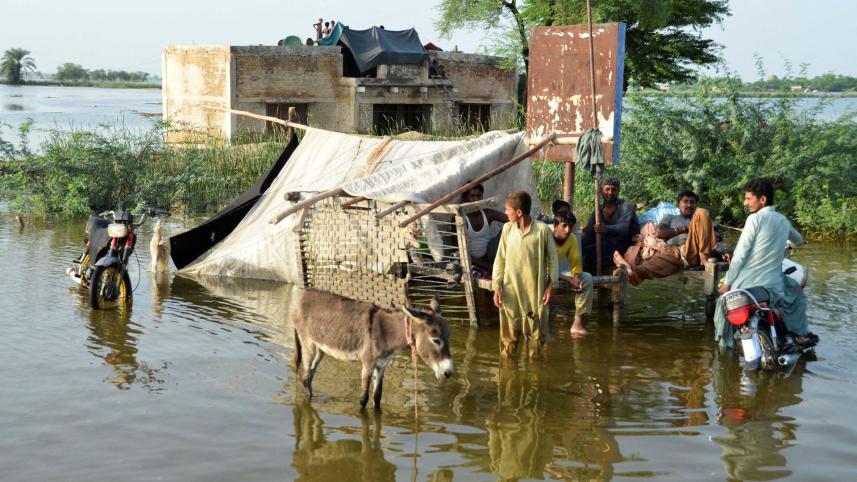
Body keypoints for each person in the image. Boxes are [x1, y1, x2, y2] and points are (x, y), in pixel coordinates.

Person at [714, 178, 812, 348]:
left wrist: (728, 282)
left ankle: (725, 347)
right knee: (796, 294)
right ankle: (799, 335)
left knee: (722, 302)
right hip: (774, 286)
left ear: (762, 200)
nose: (745, 203)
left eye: (748, 198)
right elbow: (799, 239)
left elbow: (740, 255)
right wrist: (791, 243)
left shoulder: (754, 219)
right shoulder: (782, 220)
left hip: (747, 283)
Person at [492, 191, 558, 359]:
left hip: (534, 292)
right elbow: (500, 258)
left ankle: (534, 377)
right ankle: (509, 374)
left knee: (536, 335)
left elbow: (553, 260)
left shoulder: (542, 230)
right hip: (510, 290)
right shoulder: (507, 229)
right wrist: (496, 286)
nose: (506, 213)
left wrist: (551, 286)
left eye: (508, 209)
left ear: (519, 212)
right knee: (509, 336)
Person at [612, 190, 717, 284]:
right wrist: (685, 228)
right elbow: (659, 232)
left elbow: (715, 237)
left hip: (692, 249)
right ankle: (630, 270)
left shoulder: (699, 219)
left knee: (703, 212)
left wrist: (724, 251)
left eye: (692, 202)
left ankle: (704, 258)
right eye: (685, 201)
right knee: (654, 265)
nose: (689, 205)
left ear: (695, 204)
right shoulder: (670, 217)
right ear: (678, 204)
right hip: (673, 251)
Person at [581, 177, 639, 271]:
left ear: (618, 191)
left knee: (589, 251)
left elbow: (623, 227)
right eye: (607, 189)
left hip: (623, 241)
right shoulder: (598, 209)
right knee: (581, 243)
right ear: (601, 191)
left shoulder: (626, 206)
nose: (610, 193)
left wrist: (606, 229)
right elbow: (590, 232)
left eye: (614, 190)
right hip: (607, 241)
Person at [552, 212, 594, 336]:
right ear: (555, 226)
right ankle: (543, 324)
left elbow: (575, 262)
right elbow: (544, 267)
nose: (568, 230)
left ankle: (578, 324)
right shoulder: (546, 237)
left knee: (587, 278)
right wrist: (568, 279)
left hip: (557, 273)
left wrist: (575, 278)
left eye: (570, 226)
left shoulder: (572, 239)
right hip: (539, 272)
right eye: (564, 226)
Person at [461, 184, 507, 273]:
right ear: (465, 198)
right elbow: (461, 253)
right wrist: (488, 266)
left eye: (479, 196)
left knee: (509, 227)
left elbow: (512, 219)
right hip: (470, 261)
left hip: (488, 255)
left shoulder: (487, 213)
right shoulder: (460, 220)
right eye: (472, 196)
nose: (476, 200)